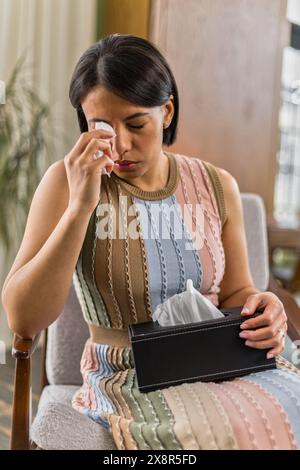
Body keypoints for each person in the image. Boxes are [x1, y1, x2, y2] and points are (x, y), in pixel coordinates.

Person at [2, 33, 300, 450]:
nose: (120, 145)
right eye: (101, 127)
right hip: (128, 377)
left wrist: (264, 309)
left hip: (217, 361)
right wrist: (79, 208)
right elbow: (24, 318)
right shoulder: (67, 184)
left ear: (167, 111)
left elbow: (238, 292)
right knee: (216, 432)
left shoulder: (218, 186)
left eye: (136, 124)